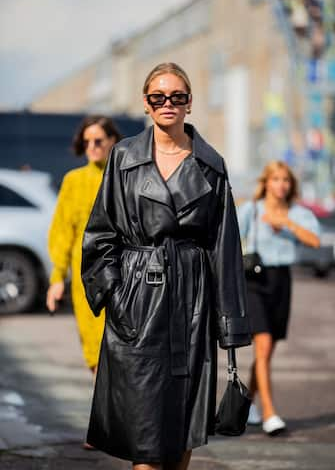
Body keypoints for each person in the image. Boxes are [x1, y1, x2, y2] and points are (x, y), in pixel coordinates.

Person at [81, 62, 251, 470]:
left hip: (192, 306)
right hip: (138, 304)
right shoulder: (124, 157)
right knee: (147, 445)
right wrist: (117, 296)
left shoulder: (211, 165)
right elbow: (100, 235)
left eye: (177, 96)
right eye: (158, 97)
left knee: (180, 436)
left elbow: (224, 249)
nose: (167, 104)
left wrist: (229, 326)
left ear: (189, 103)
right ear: (146, 103)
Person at [238, 161, 320, 436]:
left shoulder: (298, 212)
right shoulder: (252, 209)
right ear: (266, 182)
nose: (281, 184)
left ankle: (246, 405)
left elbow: (315, 241)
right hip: (255, 281)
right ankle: (270, 414)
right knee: (262, 344)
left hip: (281, 281)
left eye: (285, 179)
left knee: (267, 350)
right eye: (275, 179)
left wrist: (286, 222)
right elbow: (229, 237)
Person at [46, 115, 121, 376]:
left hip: (124, 275)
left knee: (123, 352)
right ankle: (107, 412)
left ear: (113, 141)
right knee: (93, 349)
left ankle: (120, 413)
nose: (92, 147)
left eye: (98, 140)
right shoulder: (73, 181)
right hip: (86, 278)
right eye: (86, 141)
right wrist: (57, 278)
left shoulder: (125, 177)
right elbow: (62, 231)